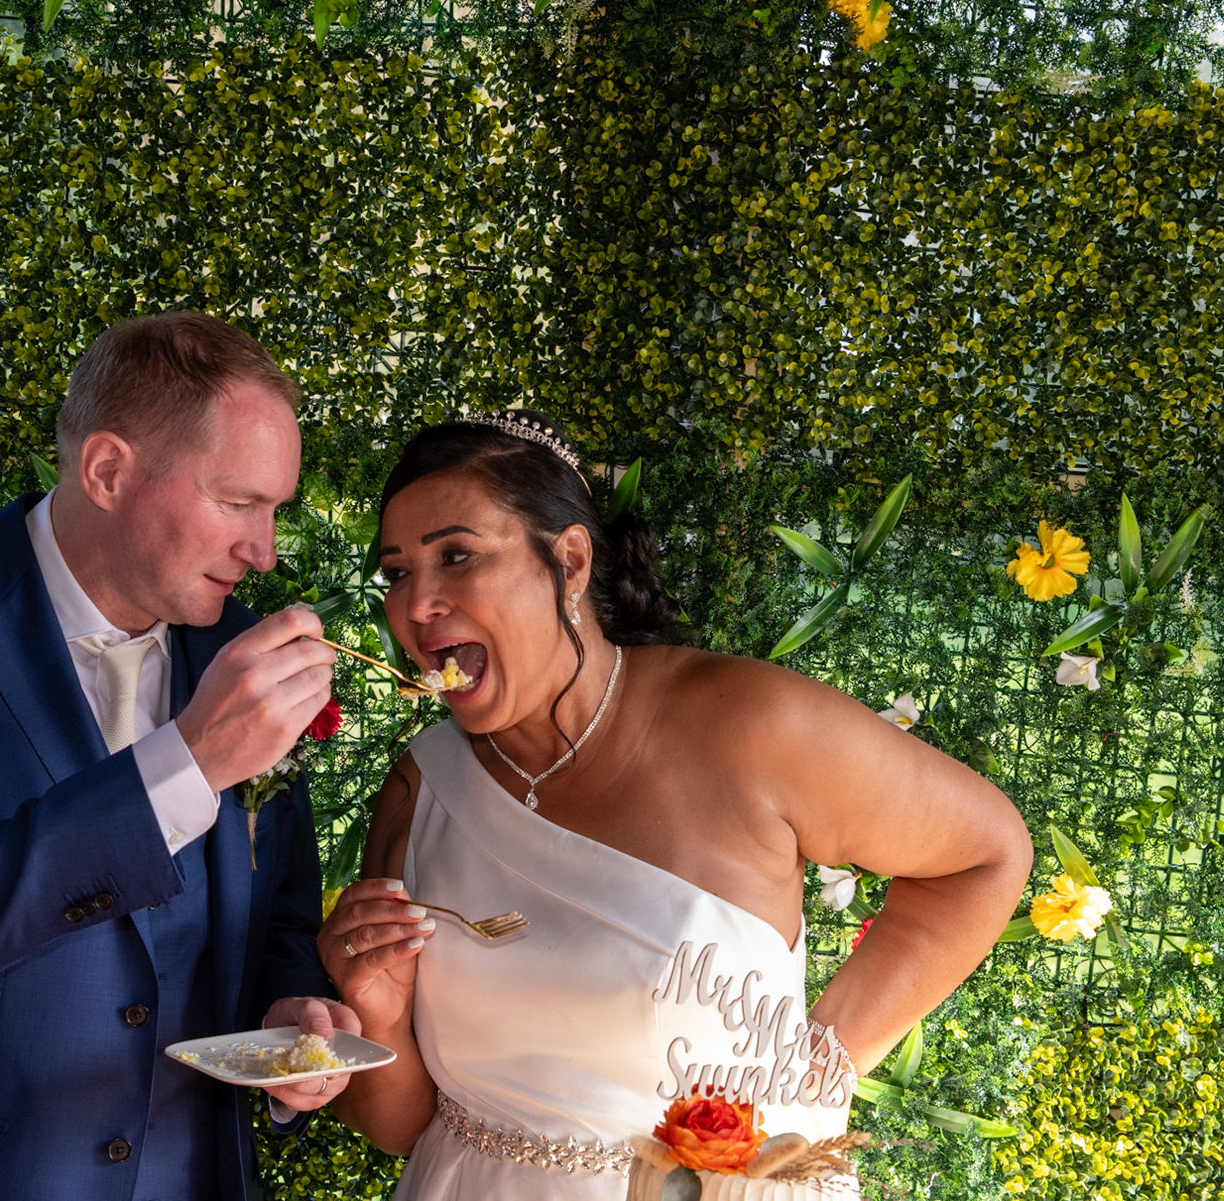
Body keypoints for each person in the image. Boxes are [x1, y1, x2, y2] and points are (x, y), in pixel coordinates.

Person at [321, 411, 1036, 1198]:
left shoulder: (749, 726)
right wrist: (375, 1010)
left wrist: (816, 1072)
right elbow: (396, 1127)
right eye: (397, 573)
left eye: (456, 556)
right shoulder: (420, 786)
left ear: (569, 561)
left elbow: (987, 852)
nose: (417, 605)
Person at [0, 312, 356, 1200]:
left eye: (275, 509)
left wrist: (289, 1012)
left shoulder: (239, 652)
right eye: (238, 502)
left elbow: (277, 914)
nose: (265, 550)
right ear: (107, 472)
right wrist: (188, 764)